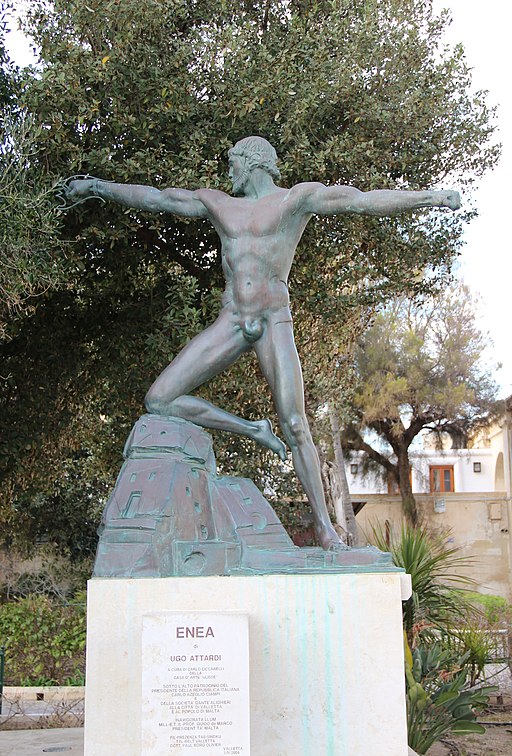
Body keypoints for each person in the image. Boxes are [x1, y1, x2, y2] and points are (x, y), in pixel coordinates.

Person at [63, 136, 460, 550]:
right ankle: (252, 428)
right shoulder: (219, 204)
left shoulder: (296, 200)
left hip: (273, 320)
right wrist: (96, 187)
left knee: (296, 424)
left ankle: (325, 529)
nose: (228, 172)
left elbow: (360, 201)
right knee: (160, 399)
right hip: (232, 320)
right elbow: (159, 198)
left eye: (232, 163)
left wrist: (429, 197)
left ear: (252, 163)